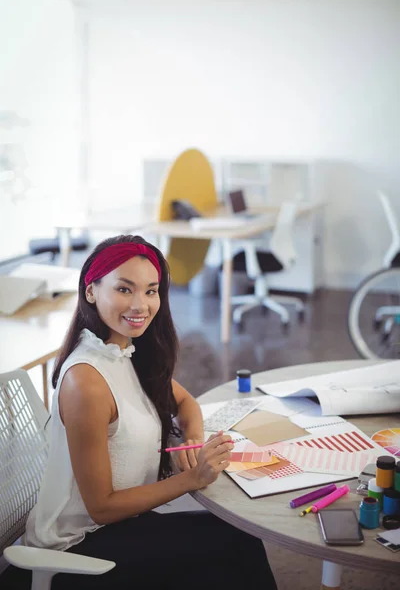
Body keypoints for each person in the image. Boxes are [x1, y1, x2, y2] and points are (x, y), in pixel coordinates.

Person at [1, 234, 277, 590]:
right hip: (79, 548)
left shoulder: (124, 352)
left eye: (151, 290)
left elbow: (186, 403)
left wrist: (192, 443)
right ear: (91, 291)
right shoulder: (86, 381)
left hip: (121, 524)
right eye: (125, 289)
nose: (141, 305)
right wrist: (192, 478)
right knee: (234, 550)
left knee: (238, 540)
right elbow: (101, 507)